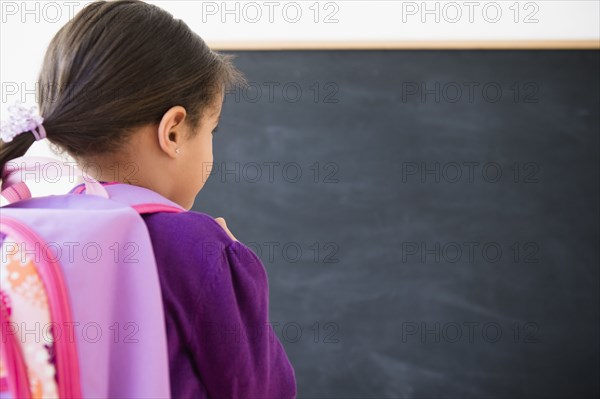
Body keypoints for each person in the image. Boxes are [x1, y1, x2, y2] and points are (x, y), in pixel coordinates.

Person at [0, 1, 297, 398]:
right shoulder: (197, 244)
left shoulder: (27, 226)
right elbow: (262, 390)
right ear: (173, 130)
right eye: (212, 130)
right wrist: (241, 270)